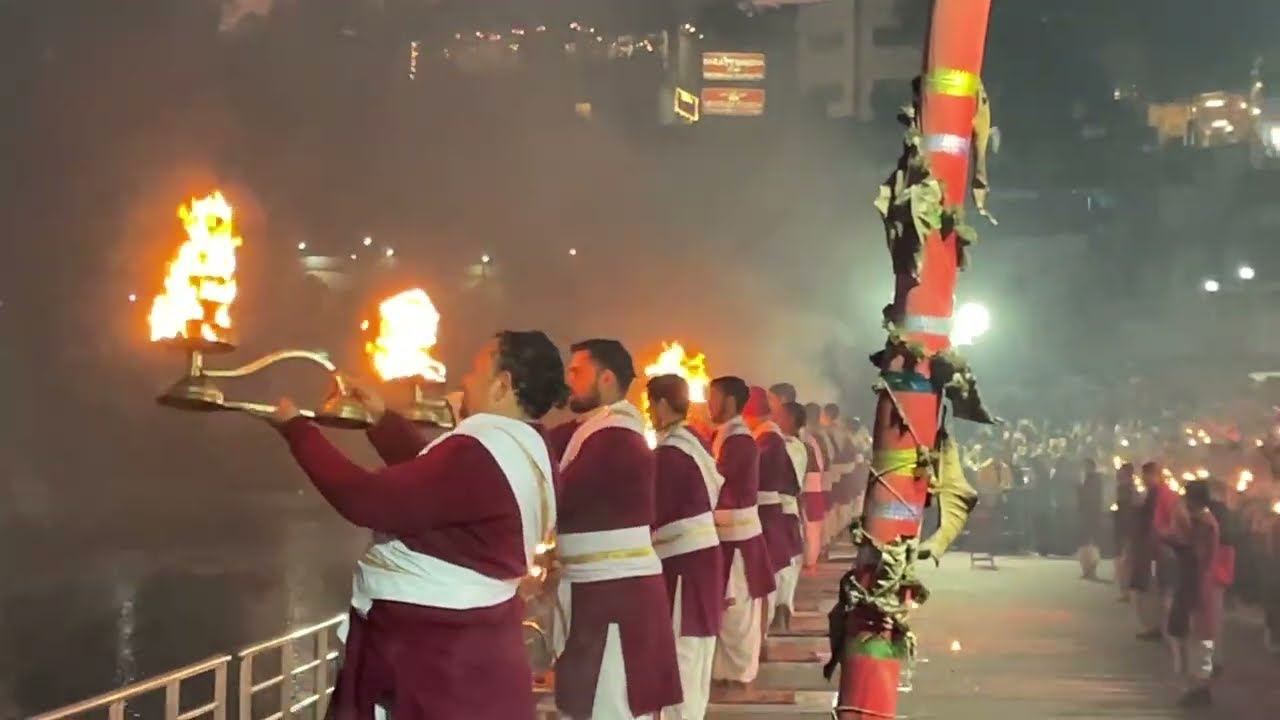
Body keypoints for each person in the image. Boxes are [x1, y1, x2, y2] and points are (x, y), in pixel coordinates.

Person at [270, 330, 565, 720]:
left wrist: (297, 431)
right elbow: (440, 487)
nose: (464, 381)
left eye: (475, 371)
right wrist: (381, 419)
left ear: (502, 385)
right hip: (475, 655)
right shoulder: (530, 448)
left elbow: (365, 499)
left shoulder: (480, 453)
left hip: (437, 666)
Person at [555, 339, 682, 719]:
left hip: (614, 595)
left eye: (577, 371)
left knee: (608, 703)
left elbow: (557, 494)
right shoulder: (594, 431)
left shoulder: (616, 438)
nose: (568, 379)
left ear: (606, 378)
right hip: (599, 589)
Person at [647, 374, 725, 720]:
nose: (650, 413)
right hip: (701, 557)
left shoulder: (669, 453)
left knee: (683, 651)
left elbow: (652, 511)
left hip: (684, 563)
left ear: (663, 404)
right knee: (695, 650)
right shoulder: (694, 440)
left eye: (651, 405)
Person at [708, 376, 776, 688]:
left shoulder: (739, 440)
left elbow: (716, 481)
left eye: (713, 397)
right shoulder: (724, 435)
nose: (709, 405)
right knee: (726, 611)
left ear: (730, 402)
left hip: (737, 537)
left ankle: (738, 677)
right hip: (725, 534)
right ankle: (725, 674)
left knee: (736, 612)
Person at [743, 386, 801, 634]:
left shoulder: (771, 440)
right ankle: (778, 616)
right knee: (781, 570)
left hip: (775, 512)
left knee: (775, 572)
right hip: (780, 511)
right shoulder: (774, 439)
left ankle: (774, 621)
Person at [1131, 461, 1180, 641]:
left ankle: (1166, 630)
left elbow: (1172, 522)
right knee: (1153, 590)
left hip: (1163, 548)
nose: (1144, 479)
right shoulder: (1149, 494)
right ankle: (1157, 627)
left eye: (1147, 475)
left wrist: (1163, 535)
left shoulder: (1166, 495)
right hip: (1149, 548)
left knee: (1163, 591)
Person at [774, 401, 812, 626]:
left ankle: (781, 610)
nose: (775, 419)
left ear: (789, 420)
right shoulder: (795, 445)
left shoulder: (790, 446)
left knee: (784, 562)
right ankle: (782, 608)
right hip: (787, 509)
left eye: (779, 415)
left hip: (782, 508)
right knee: (787, 563)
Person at [798, 402, 828, 569]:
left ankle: (809, 561)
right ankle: (811, 560)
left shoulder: (804, 439)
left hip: (808, 487)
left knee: (809, 527)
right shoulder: (813, 438)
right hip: (815, 486)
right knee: (813, 527)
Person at [1077, 458, 1104, 580]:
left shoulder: (1091, 479)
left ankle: (1089, 570)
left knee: (1088, 542)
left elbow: (1088, 496)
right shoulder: (1094, 479)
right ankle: (1088, 570)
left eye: (1085, 466)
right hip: (1091, 513)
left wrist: (1079, 489)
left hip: (1090, 513)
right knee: (1089, 542)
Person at [1113, 463, 1136, 601]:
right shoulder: (1129, 489)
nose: (1118, 476)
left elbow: (1126, 510)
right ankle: (1125, 590)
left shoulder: (1127, 490)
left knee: (1124, 561)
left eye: (1121, 474)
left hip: (1126, 528)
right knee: (1124, 560)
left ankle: (1126, 591)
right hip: (1124, 528)